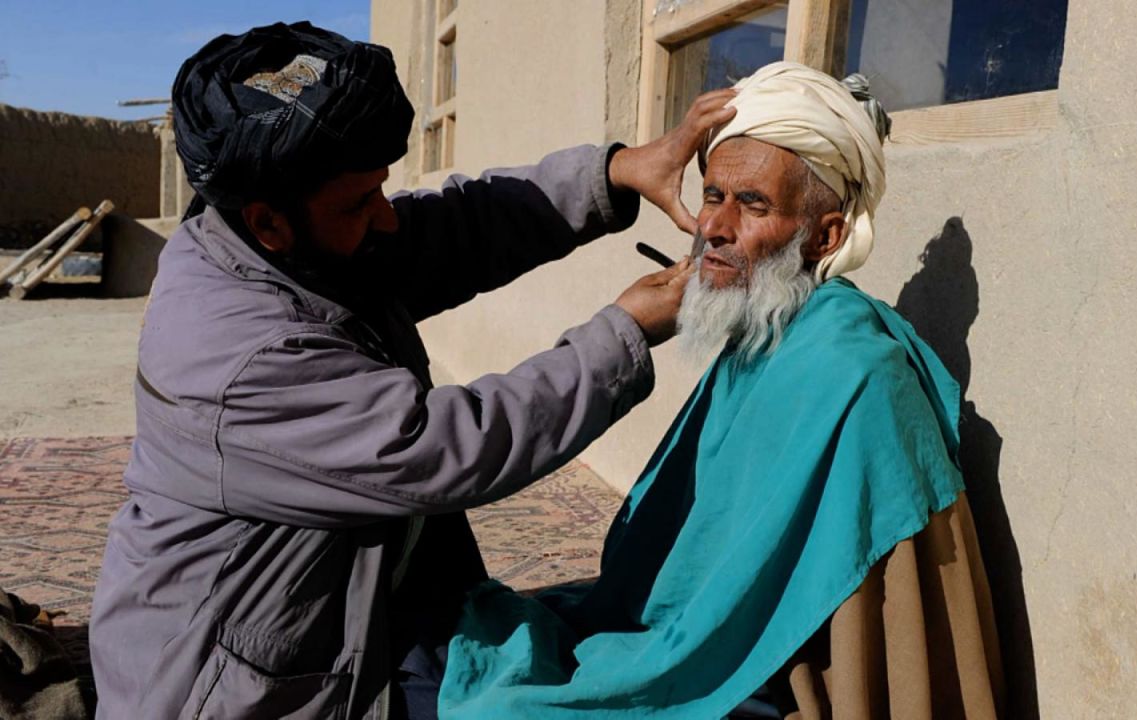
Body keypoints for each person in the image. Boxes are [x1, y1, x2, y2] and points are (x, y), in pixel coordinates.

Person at [88, 22, 737, 719]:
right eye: (359, 203)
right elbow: (441, 448)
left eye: (381, 191)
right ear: (268, 221)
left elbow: (454, 231)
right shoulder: (244, 355)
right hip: (246, 686)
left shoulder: (285, 245)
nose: (387, 219)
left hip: (354, 604)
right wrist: (626, 333)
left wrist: (612, 173)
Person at [437, 62, 1005, 719]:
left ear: (825, 236)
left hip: (762, 674)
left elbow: (869, 629)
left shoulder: (859, 379)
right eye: (712, 195)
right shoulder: (764, 327)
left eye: (754, 204)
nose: (716, 226)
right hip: (678, 639)